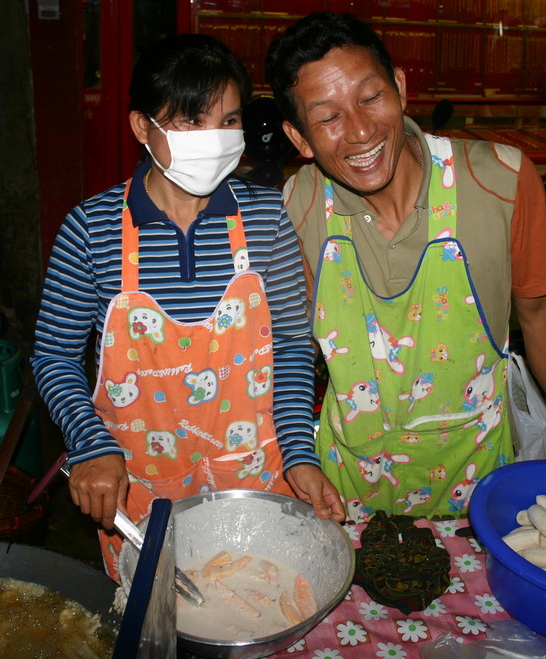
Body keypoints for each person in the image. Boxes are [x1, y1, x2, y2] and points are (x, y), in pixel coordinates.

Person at [265, 12, 546, 521]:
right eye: (328, 117)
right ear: (300, 137)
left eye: (371, 96)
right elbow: (290, 346)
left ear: (399, 87)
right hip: (349, 487)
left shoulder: (499, 180)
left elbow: (540, 314)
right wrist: (291, 452)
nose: (359, 130)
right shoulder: (298, 206)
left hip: (482, 484)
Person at [31, 33, 340, 580]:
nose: (214, 139)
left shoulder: (267, 221)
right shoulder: (91, 230)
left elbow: (292, 346)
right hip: (142, 484)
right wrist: (89, 444)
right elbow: (54, 356)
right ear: (141, 127)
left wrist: (298, 454)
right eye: (190, 122)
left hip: (254, 477)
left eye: (227, 120)